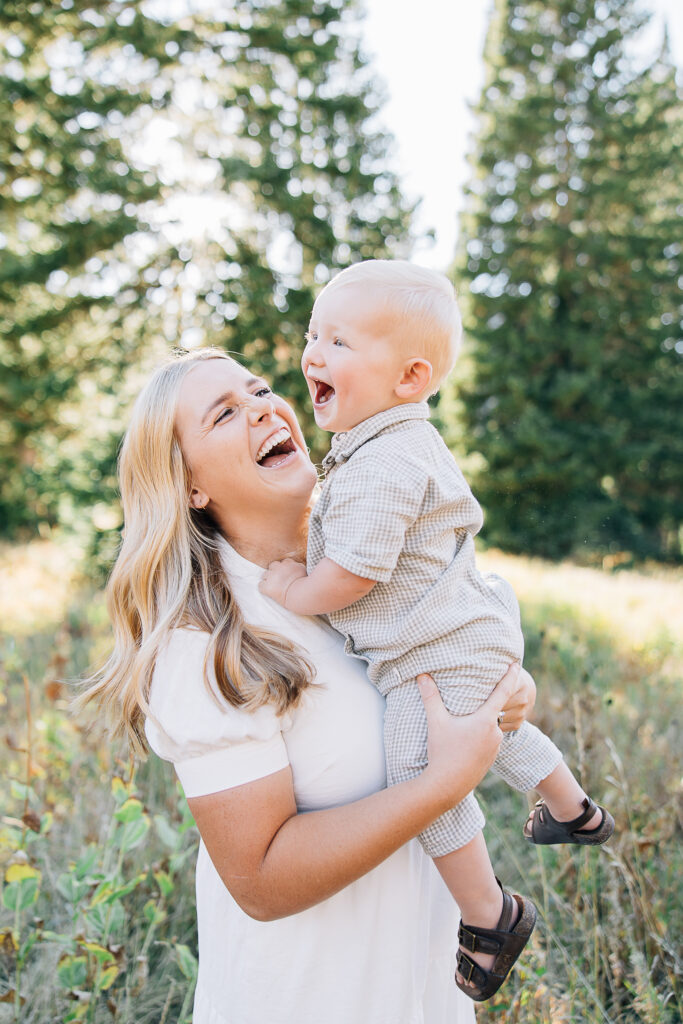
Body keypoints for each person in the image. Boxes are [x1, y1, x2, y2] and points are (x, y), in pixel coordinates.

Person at [77, 347, 540, 1024]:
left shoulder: (370, 569)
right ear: (190, 487)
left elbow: (437, 692)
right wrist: (439, 784)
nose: (263, 406)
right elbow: (260, 881)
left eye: (260, 389)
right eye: (225, 413)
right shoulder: (209, 644)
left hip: (420, 996)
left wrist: (504, 698)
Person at [260, 260, 615, 1003]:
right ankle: (571, 807)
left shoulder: (383, 462)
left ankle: (490, 914)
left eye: (340, 342)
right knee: (495, 726)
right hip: (461, 633)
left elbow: (353, 572)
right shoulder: (391, 444)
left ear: (409, 376)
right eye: (312, 335)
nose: (313, 355)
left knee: (419, 769)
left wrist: (294, 585)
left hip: (432, 647)